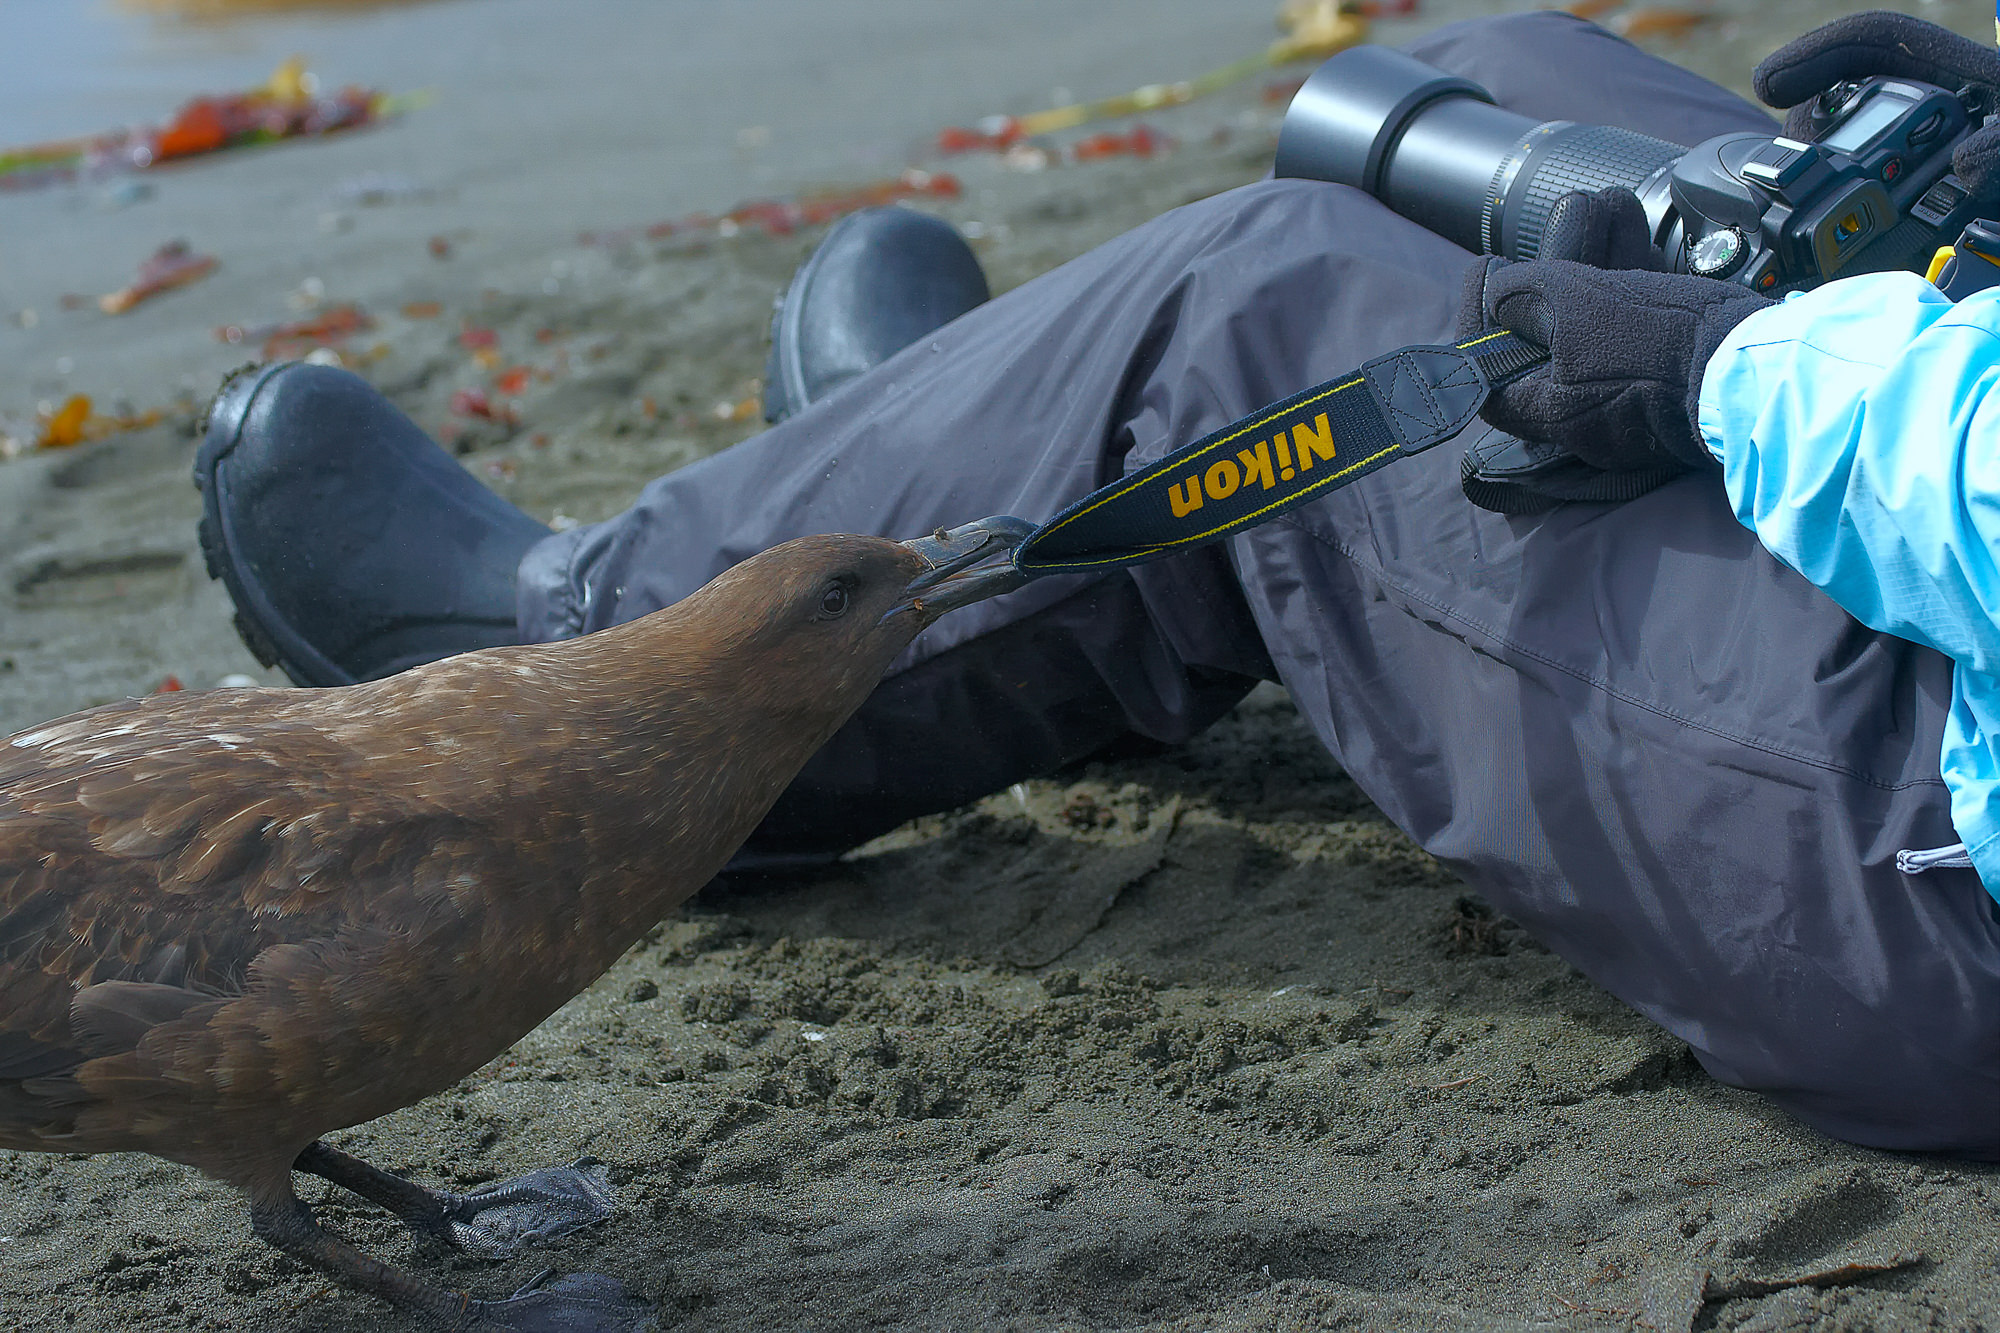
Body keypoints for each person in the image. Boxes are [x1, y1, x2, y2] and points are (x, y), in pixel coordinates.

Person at [193, 9, 2000, 1156]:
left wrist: (1721, 375)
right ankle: (989, 458)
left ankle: (608, 674)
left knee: (1255, 310)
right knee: (1518, 86)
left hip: (1927, 849)